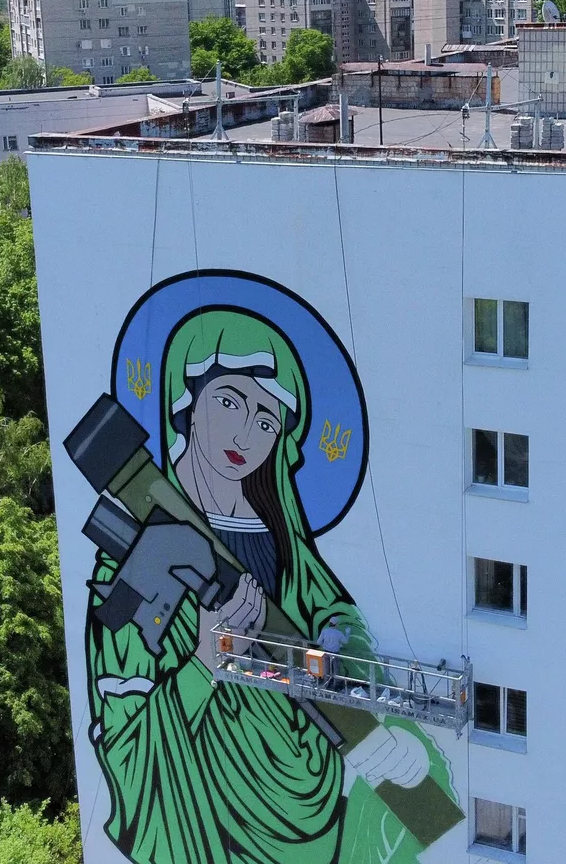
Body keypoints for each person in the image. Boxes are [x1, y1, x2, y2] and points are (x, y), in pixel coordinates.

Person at [86, 310, 445, 864]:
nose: (244, 433)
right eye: (228, 401)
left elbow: (338, 618)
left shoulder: (281, 534)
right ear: (187, 403)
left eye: (265, 421)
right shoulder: (139, 541)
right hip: (206, 800)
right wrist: (205, 658)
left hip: (307, 775)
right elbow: (122, 721)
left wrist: (338, 645)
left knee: (426, 775)